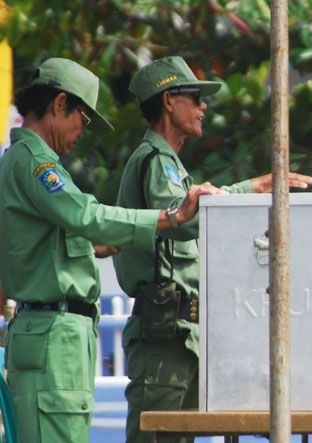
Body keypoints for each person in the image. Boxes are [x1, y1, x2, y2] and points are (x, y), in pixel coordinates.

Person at [0, 57, 220, 443]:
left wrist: (94, 244)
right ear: (60, 105)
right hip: (53, 335)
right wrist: (170, 217)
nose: (81, 133)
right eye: (83, 120)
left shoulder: (27, 162)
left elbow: (54, 239)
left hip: (58, 335)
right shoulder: (35, 164)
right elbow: (87, 215)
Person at [113, 55, 312, 443]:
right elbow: (184, 219)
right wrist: (250, 188)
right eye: (195, 97)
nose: (203, 106)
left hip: (183, 334)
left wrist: (251, 188)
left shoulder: (170, 165)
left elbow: (194, 211)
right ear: (169, 101)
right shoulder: (156, 161)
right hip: (164, 335)